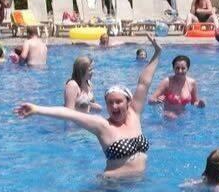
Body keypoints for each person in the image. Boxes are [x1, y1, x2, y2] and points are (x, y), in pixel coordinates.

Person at [14, 35, 162, 179]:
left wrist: (157, 53)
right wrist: (37, 109)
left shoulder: (134, 114)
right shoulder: (103, 125)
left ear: (128, 102)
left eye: (118, 101)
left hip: (139, 184)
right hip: (112, 186)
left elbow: (144, 83)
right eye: (110, 103)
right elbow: (68, 113)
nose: (114, 106)